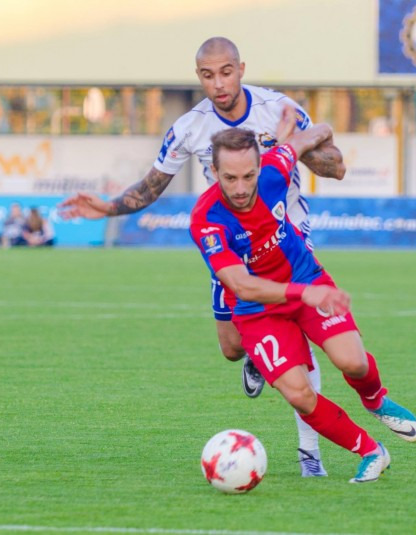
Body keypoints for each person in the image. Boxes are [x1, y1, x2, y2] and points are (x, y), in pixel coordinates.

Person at [60, 37, 346, 476]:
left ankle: (311, 454)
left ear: (241, 69)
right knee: (232, 348)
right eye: (209, 75)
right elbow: (151, 186)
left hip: (286, 241)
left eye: (226, 72)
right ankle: (257, 354)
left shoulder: (278, 109)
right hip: (232, 247)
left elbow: (335, 166)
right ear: (199, 77)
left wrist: (289, 146)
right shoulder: (189, 127)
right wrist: (108, 207)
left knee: (297, 342)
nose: (219, 83)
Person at [188, 121, 416, 483]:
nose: (241, 188)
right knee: (299, 394)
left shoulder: (276, 168)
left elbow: (315, 132)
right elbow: (241, 285)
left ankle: (375, 400)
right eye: (230, 178)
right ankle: (371, 451)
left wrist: (321, 136)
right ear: (214, 172)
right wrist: (302, 294)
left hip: (304, 277)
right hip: (258, 310)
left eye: (249, 176)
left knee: (353, 362)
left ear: (260, 167)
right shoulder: (207, 220)